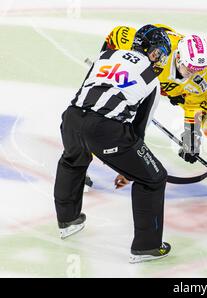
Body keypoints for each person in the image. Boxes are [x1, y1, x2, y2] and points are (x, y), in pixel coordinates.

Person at [54, 25, 172, 263]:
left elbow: (85, 92)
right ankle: (147, 246)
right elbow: (137, 131)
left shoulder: (108, 55)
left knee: (73, 160)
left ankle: (67, 220)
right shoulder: (152, 79)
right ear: (151, 51)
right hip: (104, 129)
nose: (159, 59)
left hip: (71, 119)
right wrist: (127, 169)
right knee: (154, 178)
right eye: (159, 53)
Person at [101, 24, 207, 174]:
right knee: (117, 106)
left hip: (177, 90)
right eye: (190, 69)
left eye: (199, 70)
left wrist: (191, 137)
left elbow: (197, 108)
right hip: (146, 75)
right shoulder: (158, 49)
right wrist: (104, 64)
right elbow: (119, 33)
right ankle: (95, 147)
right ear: (178, 57)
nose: (194, 75)